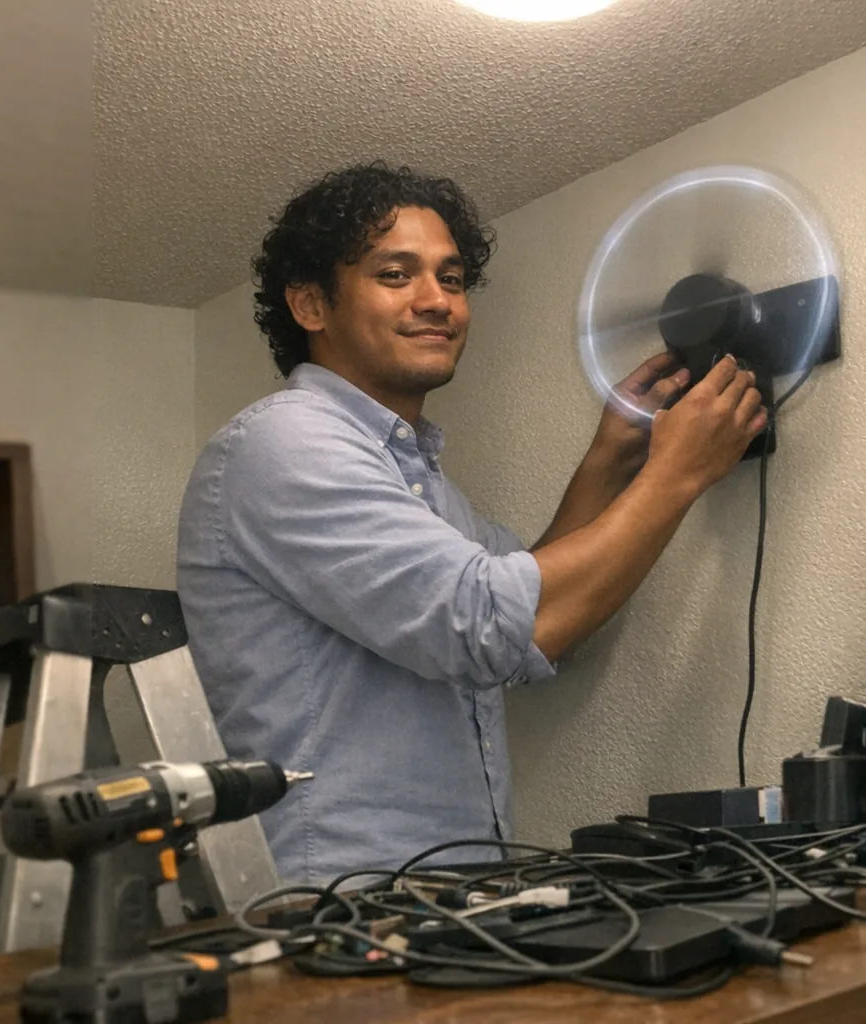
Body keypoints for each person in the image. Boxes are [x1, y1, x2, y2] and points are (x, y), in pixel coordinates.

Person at [176, 162, 765, 885]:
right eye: (396, 275)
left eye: (451, 280)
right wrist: (677, 475)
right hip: (334, 904)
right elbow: (493, 624)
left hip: (448, 892)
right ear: (310, 304)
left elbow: (536, 618)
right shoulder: (284, 445)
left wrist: (610, 461)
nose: (437, 302)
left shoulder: (414, 475)